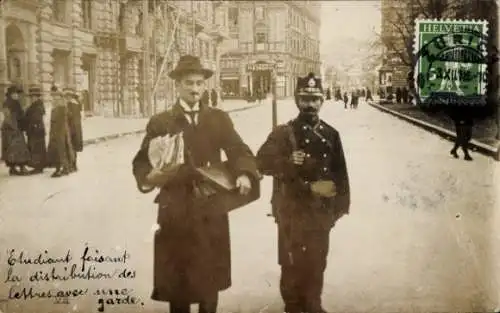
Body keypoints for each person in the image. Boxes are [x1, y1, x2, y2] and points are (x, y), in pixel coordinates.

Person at [132, 55, 259, 313]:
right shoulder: (162, 121)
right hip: (175, 207)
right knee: (177, 281)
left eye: (199, 83)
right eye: (189, 83)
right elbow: (142, 162)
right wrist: (149, 179)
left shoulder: (218, 118)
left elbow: (239, 150)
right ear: (177, 85)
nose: (195, 89)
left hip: (211, 207)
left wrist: (244, 173)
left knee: (208, 280)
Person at [256, 72, 350, 313]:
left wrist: (339, 207)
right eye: (305, 99)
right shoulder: (283, 133)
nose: (310, 104)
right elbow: (261, 162)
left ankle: (314, 304)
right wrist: (287, 161)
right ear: (297, 100)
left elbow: (340, 173)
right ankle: (293, 307)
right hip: (291, 210)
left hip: (321, 210)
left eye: (315, 99)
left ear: (322, 101)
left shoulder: (331, 134)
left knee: (318, 261)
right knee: (291, 263)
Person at [1, 85, 31, 175]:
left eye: (17, 94)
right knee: (19, 148)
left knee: (10, 149)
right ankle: (22, 167)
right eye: (14, 94)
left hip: (8, 129)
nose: (16, 95)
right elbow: (12, 117)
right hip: (14, 128)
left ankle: (12, 168)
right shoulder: (14, 103)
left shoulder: (7, 103)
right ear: (10, 94)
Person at [46, 85, 74, 177]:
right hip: (61, 131)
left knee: (60, 150)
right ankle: (64, 168)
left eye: (54, 96)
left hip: (59, 132)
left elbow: (58, 120)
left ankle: (61, 169)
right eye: (53, 97)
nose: (53, 99)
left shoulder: (60, 106)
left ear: (58, 97)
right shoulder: (62, 105)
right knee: (62, 150)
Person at [24, 86, 47, 174]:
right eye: (31, 97)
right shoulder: (34, 106)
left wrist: (33, 126)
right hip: (35, 130)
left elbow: (36, 118)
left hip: (37, 130)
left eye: (34, 97)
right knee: (36, 149)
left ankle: (38, 167)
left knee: (37, 149)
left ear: (37, 97)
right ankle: (38, 166)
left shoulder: (38, 106)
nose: (32, 98)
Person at [64, 87, 83, 172]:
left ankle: (72, 165)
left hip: (71, 128)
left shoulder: (70, 105)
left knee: (71, 147)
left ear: (70, 96)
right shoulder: (77, 104)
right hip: (77, 129)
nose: (66, 98)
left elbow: (69, 117)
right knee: (74, 147)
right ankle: (74, 165)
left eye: (67, 96)